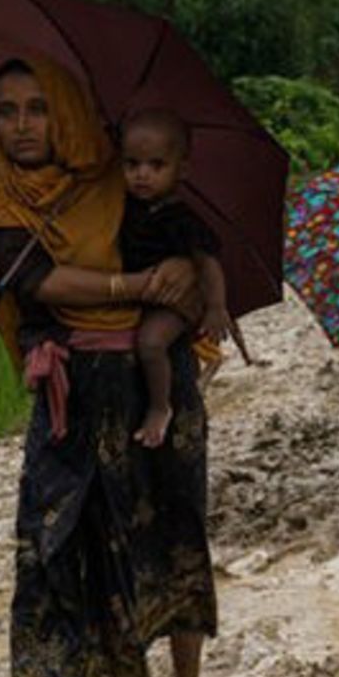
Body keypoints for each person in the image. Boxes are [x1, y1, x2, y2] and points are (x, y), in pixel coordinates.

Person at [0, 56, 218, 677]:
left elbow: (189, 262)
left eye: (39, 109)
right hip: (69, 402)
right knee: (45, 567)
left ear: (70, 116)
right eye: (8, 110)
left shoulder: (126, 178)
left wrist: (180, 270)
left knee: (173, 537)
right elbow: (36, 281)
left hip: (151, 384)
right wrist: (139, 286)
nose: (22, 125)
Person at [117, 108, 241, 449]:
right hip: (143, 295)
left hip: (174, 304)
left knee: (151, 343)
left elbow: (208, 263)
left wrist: (216, 307)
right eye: (132, 165)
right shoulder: (124, 207)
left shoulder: (181, 218)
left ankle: (160, 407)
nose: (142, 175)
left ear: (181, 169)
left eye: (156, 166)